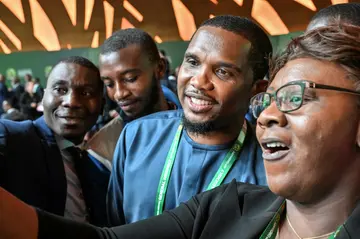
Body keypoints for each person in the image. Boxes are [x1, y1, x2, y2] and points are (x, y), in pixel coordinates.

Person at [2, 23, 360, 239]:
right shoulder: (229, 204)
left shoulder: (255, 167)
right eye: (191, 61)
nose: (266, 115)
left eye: (294, 97)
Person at [107, 15, 270, 226]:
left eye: (222, 71)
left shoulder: (268, 168)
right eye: (192, 62)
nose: (199, 82)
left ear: (256, 89)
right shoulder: (137, 137)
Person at [0, 56, 110, 226]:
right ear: (43, 97)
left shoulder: (99, 170)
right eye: (60, 90)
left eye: (86, 93)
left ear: (102, 105)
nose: (71, 102)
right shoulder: (11, 136)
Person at [85, 28, 181, 166]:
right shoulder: (102, 149)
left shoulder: (198, 124)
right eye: (109, 84)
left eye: (130, 79)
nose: (119, 93)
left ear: (159, 69)